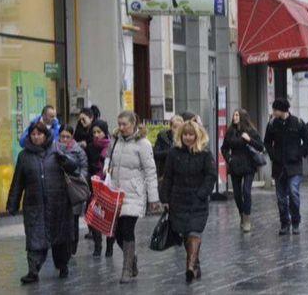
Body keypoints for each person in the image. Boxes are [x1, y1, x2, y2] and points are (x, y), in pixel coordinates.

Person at [7, 122, 75, 284]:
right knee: (34, 238)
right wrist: (13, 203)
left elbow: (75, 168)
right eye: (33, 134)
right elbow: (18, 182)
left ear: (45, 135)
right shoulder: (24, 156)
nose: (36, 137)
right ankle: (33, 271)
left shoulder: (57, 150)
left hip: (58, 204)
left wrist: (65, 160)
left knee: (60, 238)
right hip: (34, 205)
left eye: (39, 134)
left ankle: (62, 265)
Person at [160, 120, 218, 284]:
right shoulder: (173, 153)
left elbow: (211, 175)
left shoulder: (205, 154)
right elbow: (168, 176)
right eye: (185, 134)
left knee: (194, 231)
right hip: (178, 200)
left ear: (197, 135)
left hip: (197, 201)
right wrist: (165, 198)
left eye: (191, 134)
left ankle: (190, 266)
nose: (187, 137)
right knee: (186, 234)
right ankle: (195, 264)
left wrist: (202, 193)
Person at [107, 111, 160, 283]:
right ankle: (132, 259)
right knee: (116, 234)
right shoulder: (115, 141)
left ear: (133, 124)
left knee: (127, 230)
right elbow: (110, 164)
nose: (121, 127)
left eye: (125, 124)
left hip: (134, 194)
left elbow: (150, 171)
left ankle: (127, 270)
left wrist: (153, 198)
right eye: (119, 124)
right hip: (116, 193)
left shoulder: (143, 144)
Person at [264, 98, 308, 235]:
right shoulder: (272, 124)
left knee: (293, 192)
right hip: (279, 166)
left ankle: (296, 221)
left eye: (275, 110)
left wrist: (299, 153)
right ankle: (285, 223)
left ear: (282, 110)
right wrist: (273, 155)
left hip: (294, 165)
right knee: (281, 198)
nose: (273, 112)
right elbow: (267, 142)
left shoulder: (297, 123)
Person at [220, 109, 264, 232]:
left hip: (249, 165)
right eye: (234, 115)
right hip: (235, 165)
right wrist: (229, 159)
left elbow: (260, 146)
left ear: (243, 117)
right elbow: (224, 148)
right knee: (237, 194)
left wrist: (249, 139)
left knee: (246, 191)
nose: (234, 117)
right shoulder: (230, 132)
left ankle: (247, 218)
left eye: (237, 115)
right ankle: (241, 214)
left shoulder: (251, 131)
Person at [56, 124, 88, 256]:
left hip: (73, 188)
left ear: (72, 137)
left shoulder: (78, 150)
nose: (64, 139)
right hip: (58, 189)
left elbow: (84, 167)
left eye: (67, 137)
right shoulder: (54, 148)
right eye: (62, 136)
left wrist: (79, 179)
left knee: (73, 220)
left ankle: (72, 247)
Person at [85, 119, 115, 257]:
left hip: (109, 185)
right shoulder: (90, 148)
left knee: (110, 218)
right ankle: (98, 246)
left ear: (105, 132)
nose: (96, 135)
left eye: (99, 132)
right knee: (93, 216)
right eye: (94, 132)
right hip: (94, 185)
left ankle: (109, 247)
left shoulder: (111, 146)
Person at [154, 115, 184, 179]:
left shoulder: (186, 137)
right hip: (165, 172)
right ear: (170, 127)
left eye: (180, 127)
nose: (177, 130)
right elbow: (156, 154)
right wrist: (171, 151)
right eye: (175, 127)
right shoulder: (163, 136)